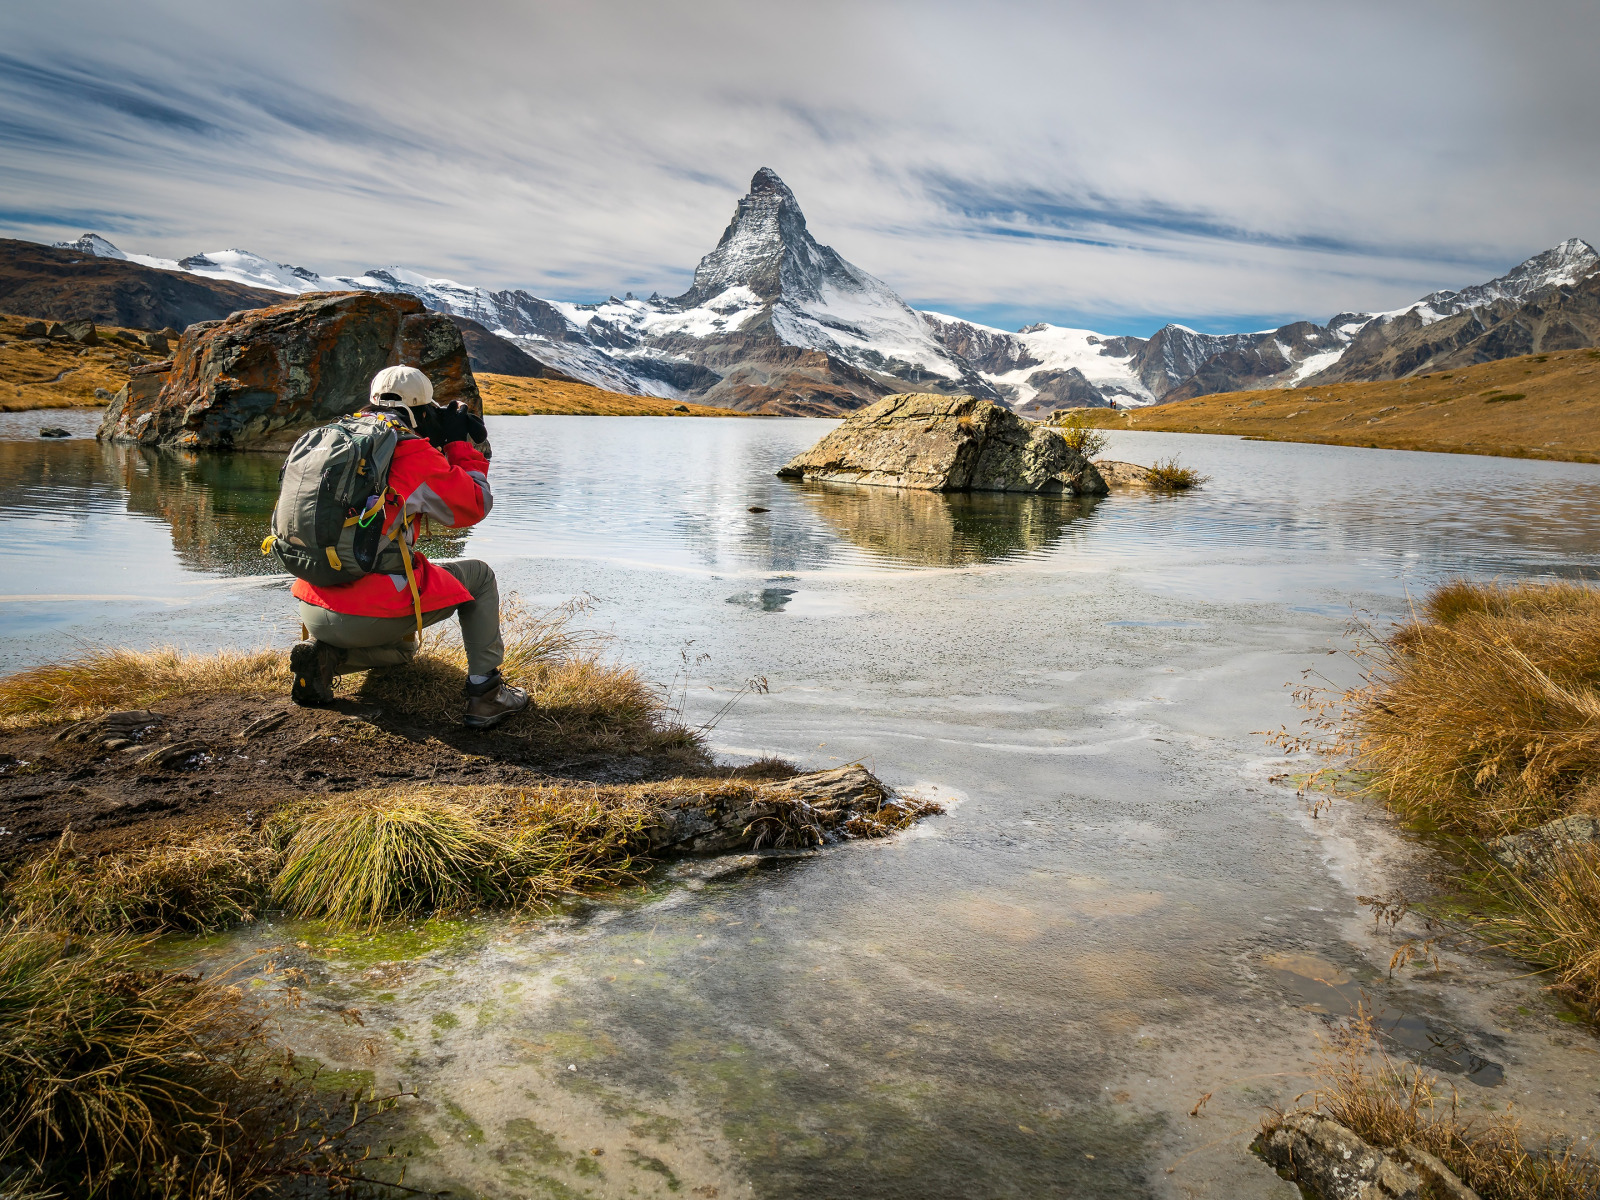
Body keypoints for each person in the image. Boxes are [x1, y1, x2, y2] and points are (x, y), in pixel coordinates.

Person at [287, 365, 529, 728]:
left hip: (314, 602)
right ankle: (487, 693)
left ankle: (326, 655)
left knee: (403, 650)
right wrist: (457, 445)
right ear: (422, 409)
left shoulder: (332, 436)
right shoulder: (411, 451)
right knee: (479, 576)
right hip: (369, 611)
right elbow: (475, 504)